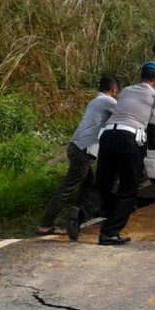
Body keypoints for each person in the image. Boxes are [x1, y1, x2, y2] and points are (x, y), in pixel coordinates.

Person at [95, 62, 155, 245]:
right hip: (128, 139)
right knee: (128, 189)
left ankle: (81, 213)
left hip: (107, 136)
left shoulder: (127, 90)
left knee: (104, 182)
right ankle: (109, 233)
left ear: (140, 78)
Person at [37, 74, 120, 239]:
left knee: (88, 182)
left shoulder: (96, 101)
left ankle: (77, 217)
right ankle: (46, 224)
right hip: (82, 150)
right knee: (67, 187)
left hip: (76, 147)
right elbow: (126, 112)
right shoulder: (107, 101)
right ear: (114, 89)